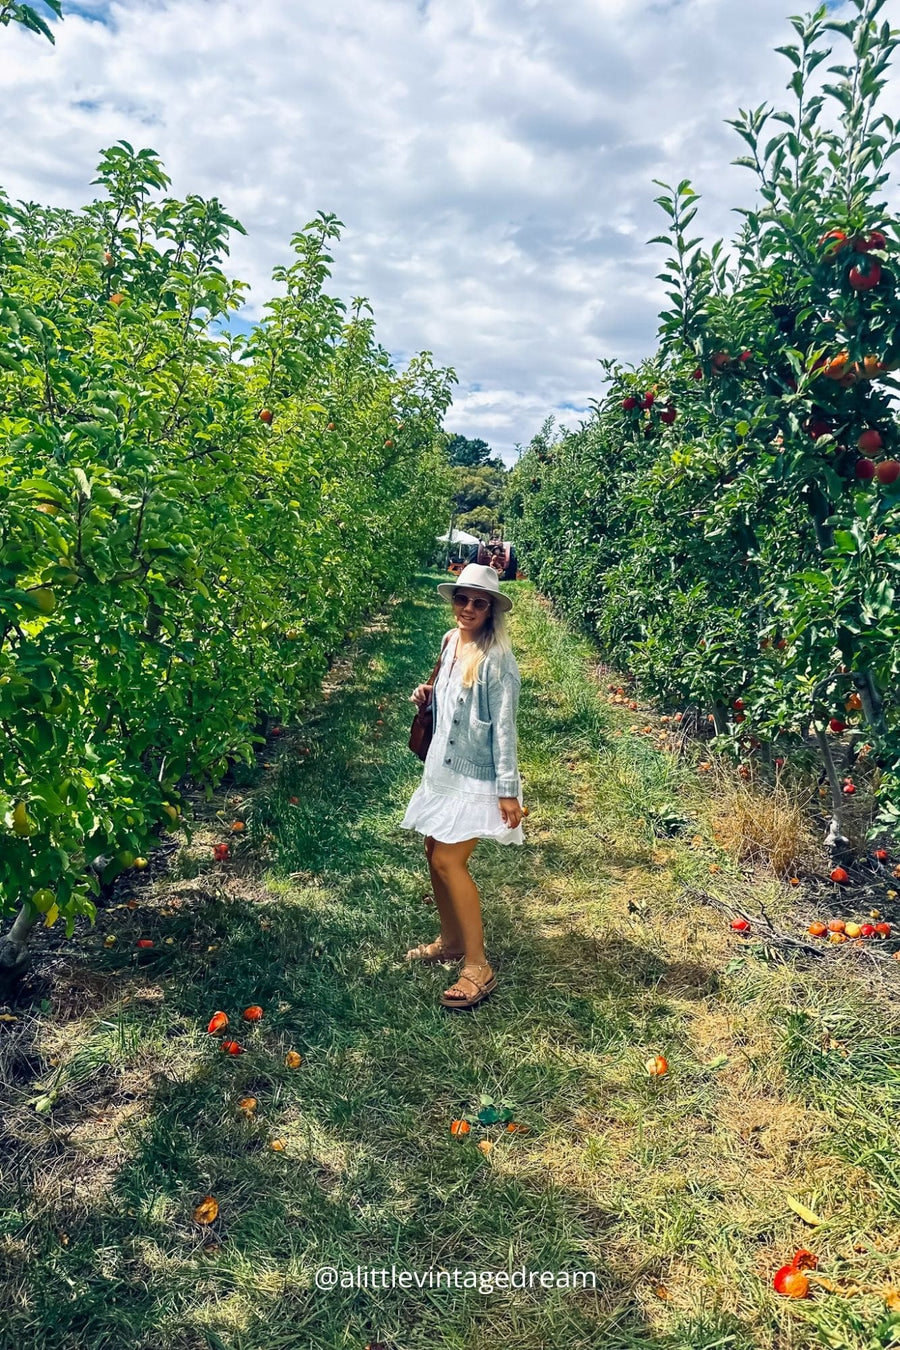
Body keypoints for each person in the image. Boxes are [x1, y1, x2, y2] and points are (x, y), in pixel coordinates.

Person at [400, 563, 524, 1010]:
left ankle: (477, 965)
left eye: (479, 602)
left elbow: (504, 730)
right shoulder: (451, 642)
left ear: (491, 611)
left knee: (452, 860)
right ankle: (450, 941)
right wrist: (427, 694)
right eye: (462, 599)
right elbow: (451, 697)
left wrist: (506, 790)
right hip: (442, 767)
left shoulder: (497, 661)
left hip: (478, 774)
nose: (468, 608)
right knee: (433, 851)